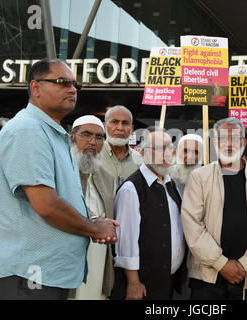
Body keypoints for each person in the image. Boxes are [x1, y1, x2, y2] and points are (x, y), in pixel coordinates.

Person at [0, 59, 118, 300]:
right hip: (25, 273)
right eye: (62, 82)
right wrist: (94, 228)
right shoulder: (28, 130)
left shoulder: (51, 133)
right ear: (36, 87)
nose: (72, 89)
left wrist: (90, 219)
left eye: (75, 84)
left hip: (42, 273)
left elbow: (58, 198)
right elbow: (46, 204)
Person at [181, 117, 247, 300]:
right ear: (215, 142)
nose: (229, 144)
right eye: (223, 138)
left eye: (234, 138)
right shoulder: (199, 178)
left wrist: (245, 264)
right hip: (207, 278)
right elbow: (192, 226)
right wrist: (221, 264)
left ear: (243, 143)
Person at [112, 127, 187, 300]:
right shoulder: (132, 189)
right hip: (143, 285)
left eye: (170, 148)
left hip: (168, 281)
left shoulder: (170, 184)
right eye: (161, 148)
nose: (168, 153)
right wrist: (133, 282)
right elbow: (126, 240)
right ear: (144, 153)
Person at [70, 115, 118, 299]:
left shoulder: (108, 177)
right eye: (86, 135)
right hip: (67, 260)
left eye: (99, 137)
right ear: (72, 137)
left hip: (98, 258)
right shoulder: (61, 171)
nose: (93, 142)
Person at [101, 105, 143, 192]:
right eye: (114, 122)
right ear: (104, 127)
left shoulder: (140, 160)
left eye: (125, 123)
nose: (120, 128)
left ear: (132, 129)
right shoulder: (94, 156)